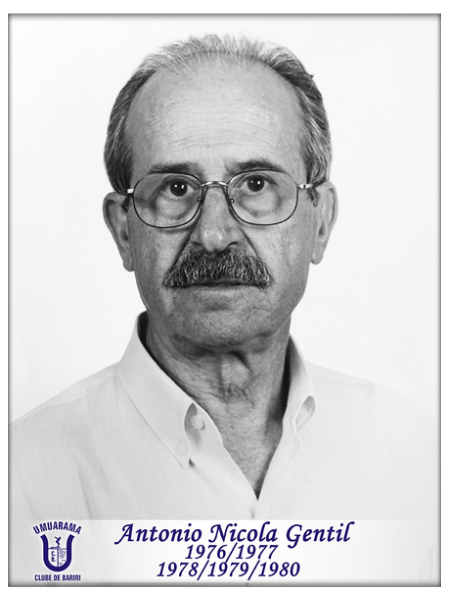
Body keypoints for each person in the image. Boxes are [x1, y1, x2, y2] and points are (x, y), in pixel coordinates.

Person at [11, 34, 435, 521]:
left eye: (257, 184)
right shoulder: (22, 478)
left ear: (320, 222)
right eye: (176, 188)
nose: (214, 234)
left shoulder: (410, 455)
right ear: (124, 231)